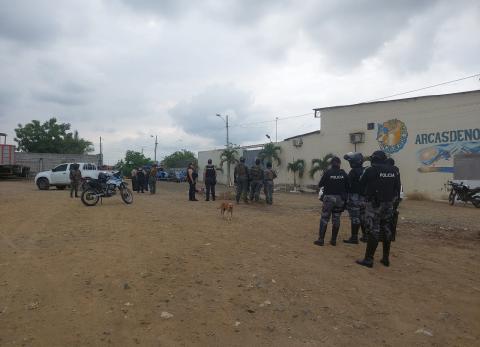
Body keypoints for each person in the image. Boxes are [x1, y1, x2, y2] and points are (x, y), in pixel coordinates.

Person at [356, 150, 401, 268]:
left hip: (374, 205)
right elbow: (397, 188)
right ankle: (385, 259)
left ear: (374, 159)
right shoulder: (394, 170)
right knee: (386, 229)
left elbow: (361, 184)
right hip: (389, 204)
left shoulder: (371, 170)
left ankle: (368, 259)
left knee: (373, 230)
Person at [314, 156, 348, 246]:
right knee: (336, 219)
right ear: (339, 164)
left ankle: (321, 240)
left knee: (325, 218)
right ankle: (333, 240)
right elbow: (348, 185)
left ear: (331, 164)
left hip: (329, 198)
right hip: (340, 199)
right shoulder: (343, 173)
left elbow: (320, 184)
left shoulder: (328, 172)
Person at [343, 152, 367, 244]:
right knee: (362, 217)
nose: (350, 163)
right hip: (364, 197)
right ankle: (365, 236)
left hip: (354, 197)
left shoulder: (353, 172)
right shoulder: (365, 170)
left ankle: (354, 238)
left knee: (355, 218)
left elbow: (347, 184)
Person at [386, 157, 401, 241]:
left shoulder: (387, 170)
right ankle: (392, 234)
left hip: (388, 196)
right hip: (395, 195)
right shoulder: (396, 170)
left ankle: (387, 233)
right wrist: (399, 196)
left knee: (385, 215)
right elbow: (398, 184)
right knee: (393, 214)